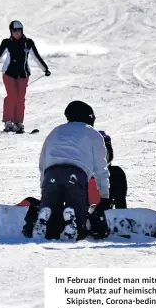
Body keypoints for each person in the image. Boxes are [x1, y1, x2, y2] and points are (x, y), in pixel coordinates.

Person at [33, 100, 110, 240]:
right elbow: (101, 167)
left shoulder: (55, 131)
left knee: (52, 223)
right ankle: (73, 221)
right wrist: (104, 196)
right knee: (80, 222)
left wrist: (44, 190)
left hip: (51, 174)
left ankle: (46, 220)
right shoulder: (92, 133)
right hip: (76, 175)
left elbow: (42, 164)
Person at [0, 20, 51, 133]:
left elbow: (36, 57)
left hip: (23, 74)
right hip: (8, 73)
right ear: (11, 31)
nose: (17, 33)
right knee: (12, 96)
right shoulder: (6, 42)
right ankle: (8, 121)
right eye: (14, 30)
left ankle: (18, 122)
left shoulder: (28, 43)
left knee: (20, 99)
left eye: (19, 30)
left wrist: (45, 69)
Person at [88, 130, 128, 208]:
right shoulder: (79, 174)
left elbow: (121, 206)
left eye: (104, 153)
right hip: (79, 216)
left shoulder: (115, 174)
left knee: (116, 172)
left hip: (104, 217)